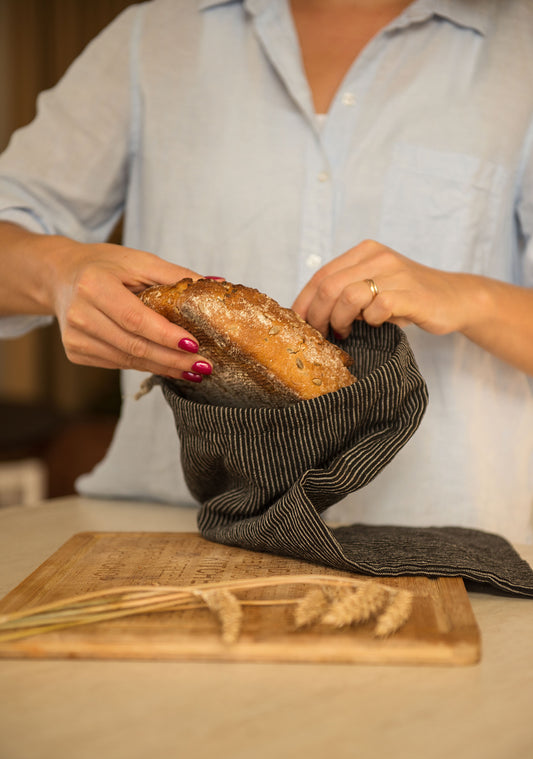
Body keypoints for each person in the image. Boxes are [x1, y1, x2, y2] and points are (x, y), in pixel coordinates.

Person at [0, 0, 532, 543]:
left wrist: (474, 298)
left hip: (444, 550)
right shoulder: (158, 34)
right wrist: (59, 273)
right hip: (168, 537)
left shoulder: (521, 47)